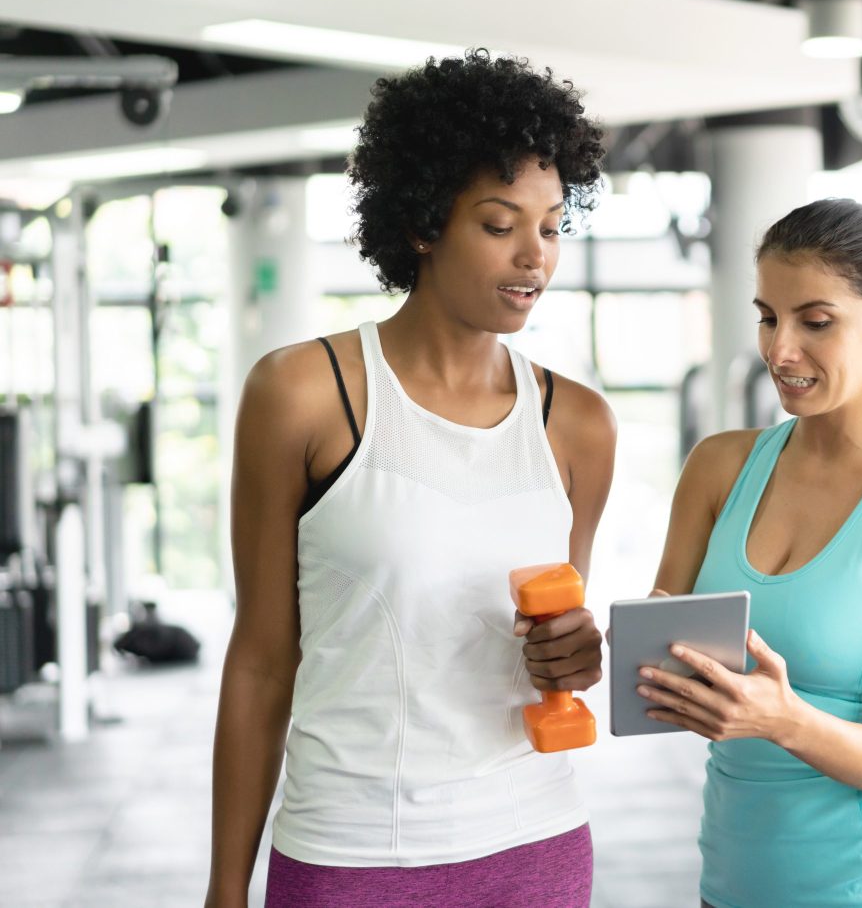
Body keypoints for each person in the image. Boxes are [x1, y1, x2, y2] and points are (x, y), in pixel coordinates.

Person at [205, 50, 615, 908]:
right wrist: (225, 889)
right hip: (352, 852)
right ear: (424, 222)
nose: (533, 256)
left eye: (549, 227)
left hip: (534, 844)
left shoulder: (578, 423)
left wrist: (578, 651)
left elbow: (551, 634)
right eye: (500, 224)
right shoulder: (302, 394)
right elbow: (260, 659)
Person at [638, 198, 862, 907]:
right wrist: (591, 641)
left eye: (816, 321)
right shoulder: (719, 467)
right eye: (769, 316)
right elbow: (661, 639)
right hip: (731, 886)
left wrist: (782, 718)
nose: (779, 350)